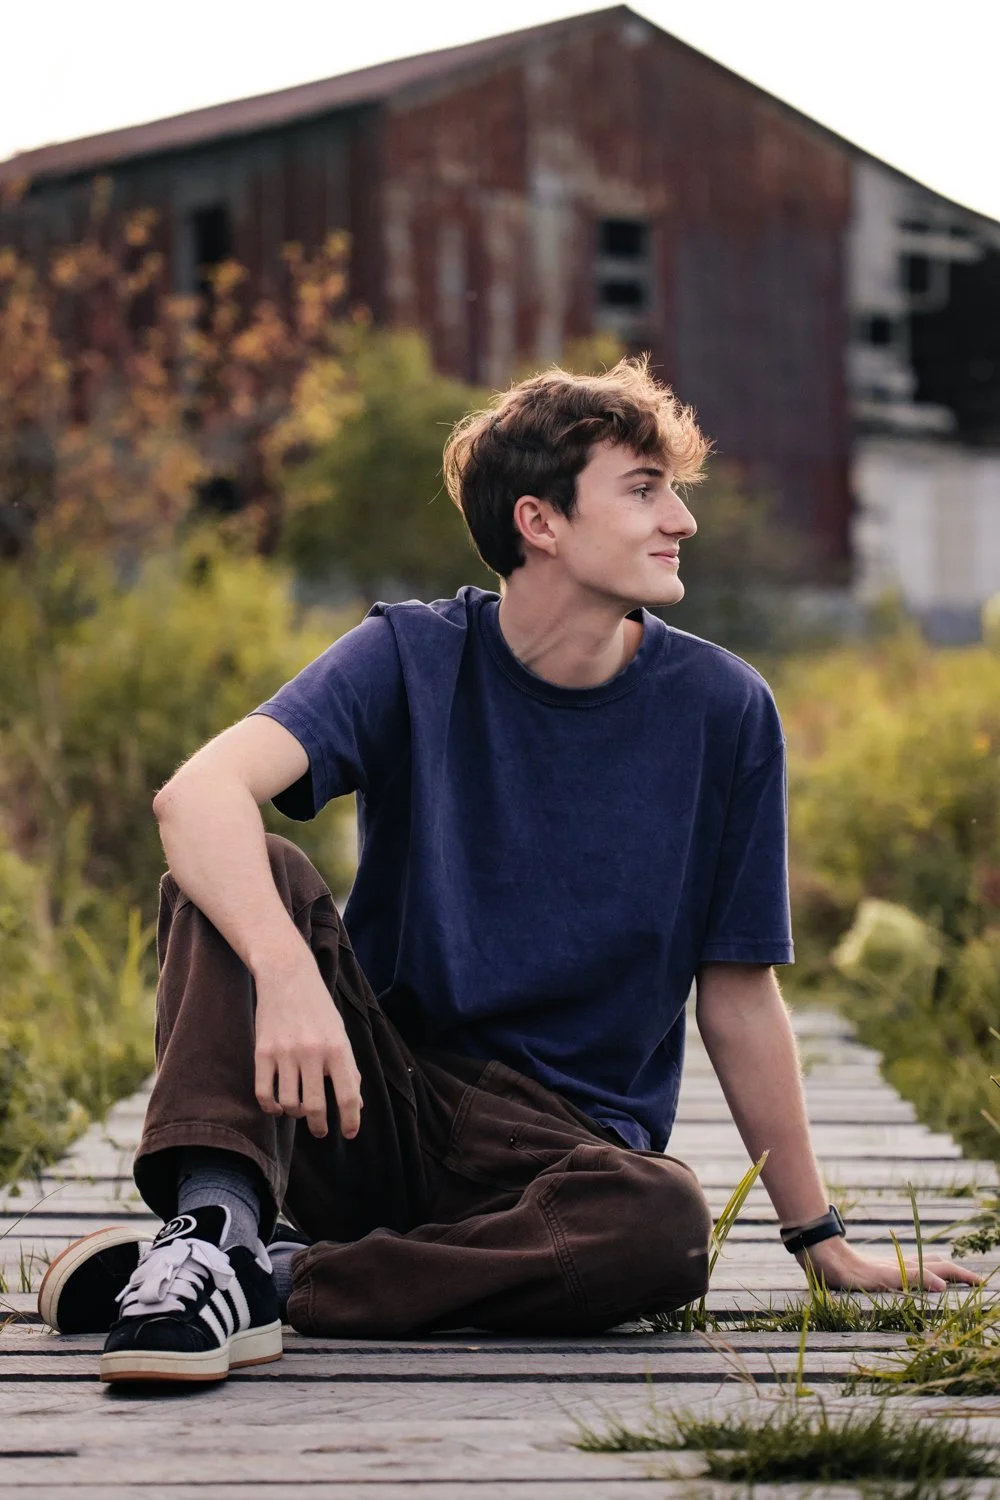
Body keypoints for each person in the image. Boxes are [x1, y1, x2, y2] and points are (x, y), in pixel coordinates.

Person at [38, 357, 979, 1385]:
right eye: (643, 489)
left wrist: (819, 1241)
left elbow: (740, 997)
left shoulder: (724, 710)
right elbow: (197, 797)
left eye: (674, 490)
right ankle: (214, 1227)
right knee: (244, 869)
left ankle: (275, 1277)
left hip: (557, 1159)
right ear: (539, 522)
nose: (682, 521)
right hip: (369, 1102)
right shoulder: (410, 654)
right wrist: (292, 976)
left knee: (661, 1224)